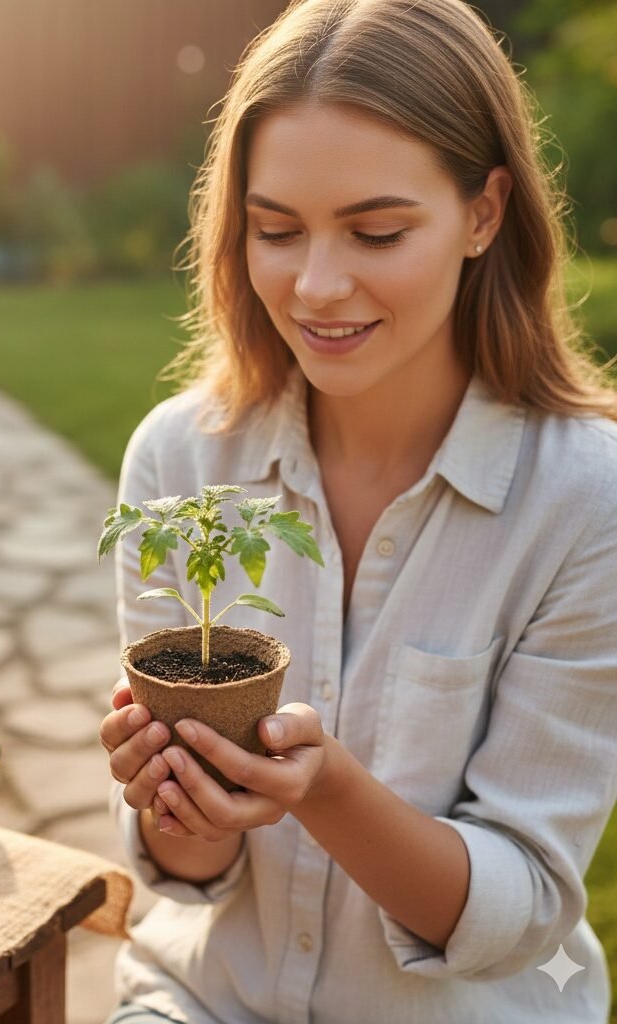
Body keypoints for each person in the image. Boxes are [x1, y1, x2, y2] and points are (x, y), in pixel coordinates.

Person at [98, 0, 617, 1021]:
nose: (318, 286)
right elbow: (184, 874)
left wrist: (323, 789)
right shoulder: (179, 460)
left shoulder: (584, 500)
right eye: (274, 230)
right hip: (206, 998)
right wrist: (175, 798)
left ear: (483, 212)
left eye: (376, 231)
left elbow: (522, 910)